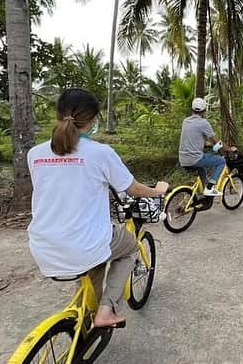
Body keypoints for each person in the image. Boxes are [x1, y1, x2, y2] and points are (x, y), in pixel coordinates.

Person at [27, 88, 168, 329]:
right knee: (130, 247)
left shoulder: (35, 154)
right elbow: (131, 188)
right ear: (92, 120)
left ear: (57, 114)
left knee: (94, 256)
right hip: (83, 243)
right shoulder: (100, 153)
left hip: (43, 245)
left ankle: (85, 319)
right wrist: (158, 190)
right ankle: (105, 311)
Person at [178, 97, 226, 197]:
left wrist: (207, 145)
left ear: (192, 109)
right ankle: (209, 188)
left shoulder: (186, 121)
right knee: (221, 161)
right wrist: (229, 149)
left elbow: (193, 139)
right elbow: (217, 143)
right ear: (204, 110)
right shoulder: (204, 123)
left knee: (202, 169)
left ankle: (203, 193)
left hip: (183, 159)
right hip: (195, 158)